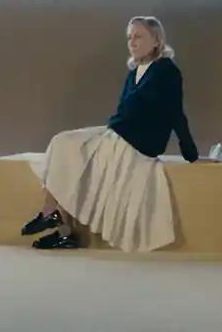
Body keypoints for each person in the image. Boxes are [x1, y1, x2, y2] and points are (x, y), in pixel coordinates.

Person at [20, 15, 200, 252]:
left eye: (138, 37)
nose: (132, 42)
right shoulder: (133, 73)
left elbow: (175, 111)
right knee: (61, 144)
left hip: (136, 143)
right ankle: (59, 225)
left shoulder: (167, 71)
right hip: (116, 134)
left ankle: (50, 215)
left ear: (156, 40)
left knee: (68, 149)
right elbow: (123, 113)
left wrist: (189, 151)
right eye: (129, 38)